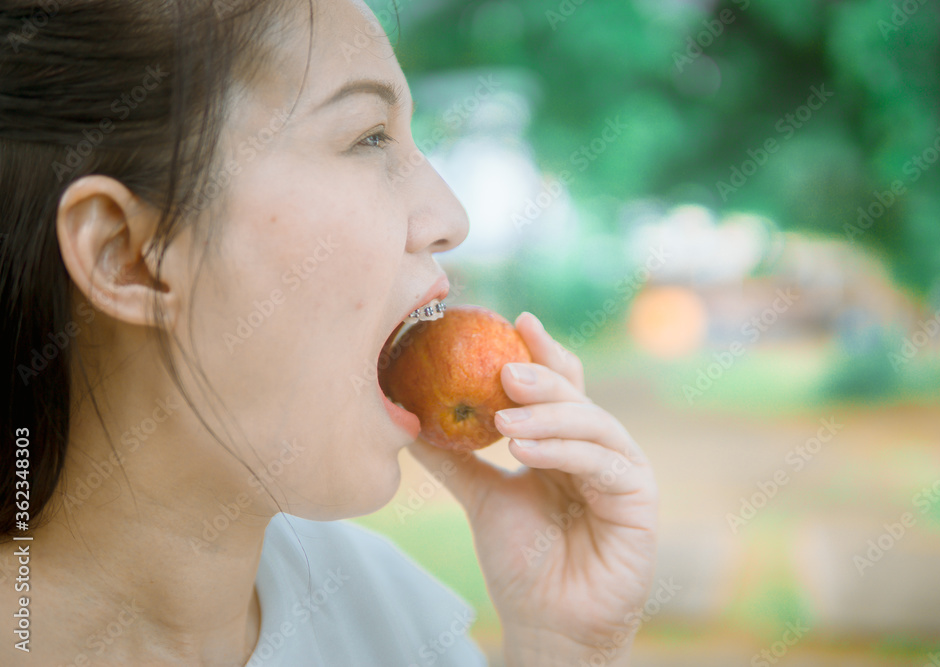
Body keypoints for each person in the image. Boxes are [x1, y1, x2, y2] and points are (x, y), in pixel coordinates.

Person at [0, 0, 659, 664]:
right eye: (369, 136)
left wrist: (564, 647)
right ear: (127, 252)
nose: (450, 217)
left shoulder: (394, 624)